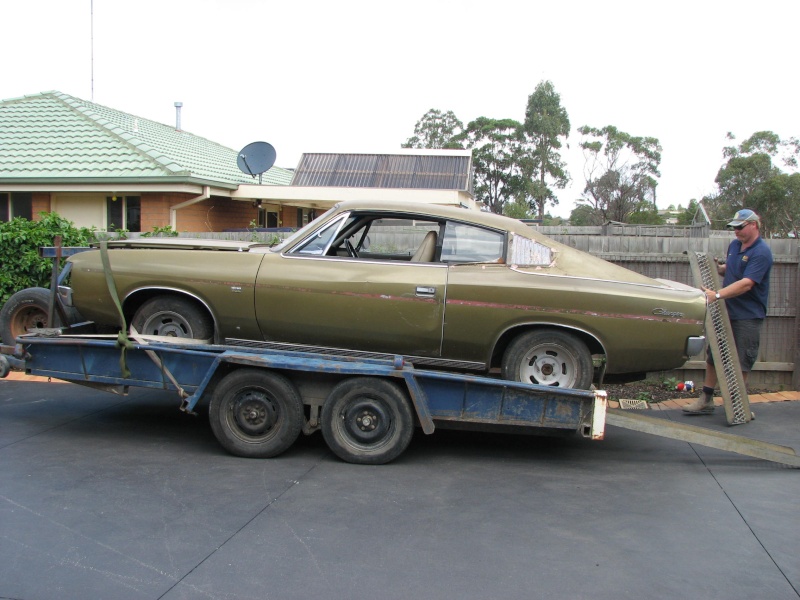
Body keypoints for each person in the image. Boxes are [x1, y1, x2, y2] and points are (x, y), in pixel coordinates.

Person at [683, 209, 773, 415]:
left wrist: (717, 295)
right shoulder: (735, 246)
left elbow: (746, 284)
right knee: (713, 355)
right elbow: (733, 271)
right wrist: (720, 268)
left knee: (741, 361)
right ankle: (706, 399)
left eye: (740, 227)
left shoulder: (761, 252)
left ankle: (738, 406)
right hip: (726, 311)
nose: (736, 232)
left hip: (748, 315)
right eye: (734, 228)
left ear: (754, 225)